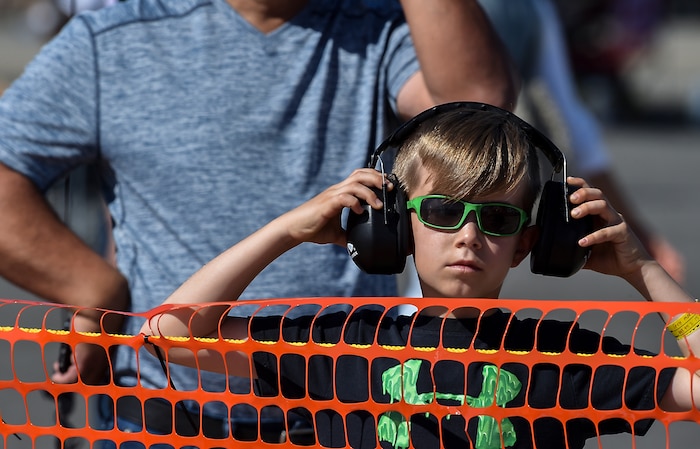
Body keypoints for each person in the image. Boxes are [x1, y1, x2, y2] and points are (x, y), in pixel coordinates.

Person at [0, 0, 516, 442]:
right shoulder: (112, 40)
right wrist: (90, 286)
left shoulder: (377, 25)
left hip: (340, 414)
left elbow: (477, 115)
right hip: (163, 415)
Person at [141, 102, 697, 449]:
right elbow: (169, 334)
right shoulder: (342, 345)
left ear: (531, 242)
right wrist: (287, 230)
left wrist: (642, 271)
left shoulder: (561, 358)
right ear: (396, 226)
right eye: (441, 212)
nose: (468, 236)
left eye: (498, 219)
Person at [477, 0, 686, 283]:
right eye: (445, 212)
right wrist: (642, 254)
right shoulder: (526, 8)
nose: (466, 237)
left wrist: (642, 261)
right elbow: (573, 126)